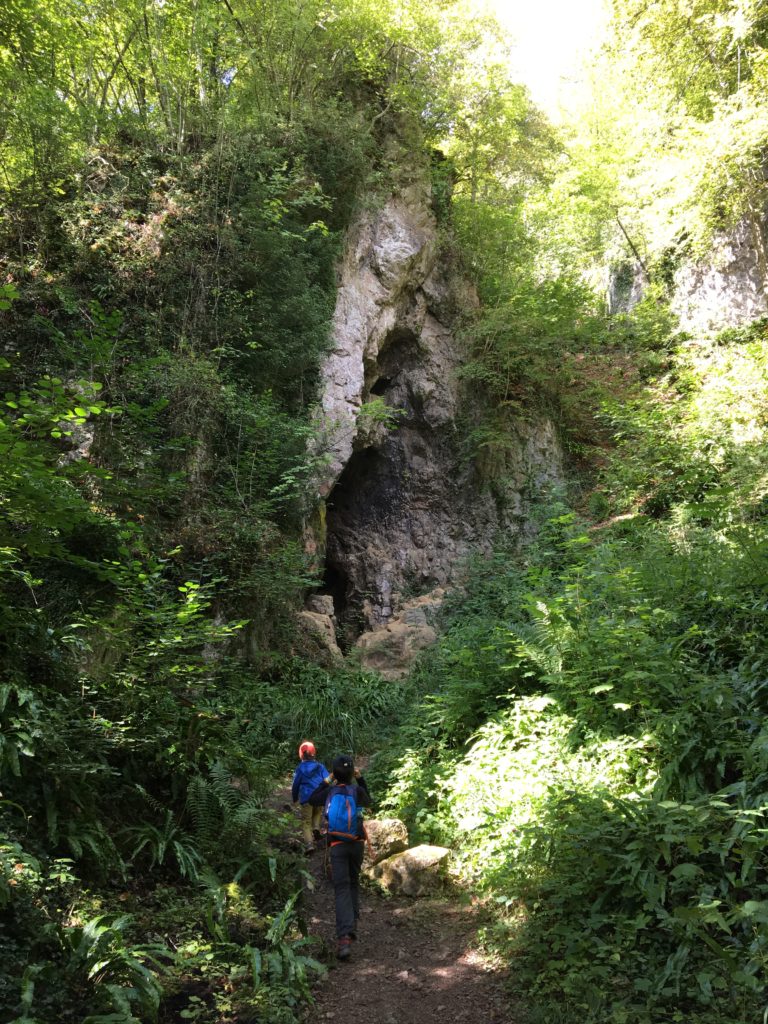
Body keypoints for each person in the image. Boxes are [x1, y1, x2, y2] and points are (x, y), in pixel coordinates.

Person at [308, 753, 371, 961]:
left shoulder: (330, 790)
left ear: (335, 773)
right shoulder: (357, 790)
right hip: (357, 844)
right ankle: (351, 925)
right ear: (352, 772)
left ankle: (344, 938)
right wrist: (360, 779)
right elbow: (368, 800)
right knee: (353, 883)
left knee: (342, 887)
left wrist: (328, 779)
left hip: (337, 845)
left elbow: (311, 798)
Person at [291, 741, 330, 853]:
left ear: (301, 755)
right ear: (314, 754)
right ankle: (316, 828)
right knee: (317, 813)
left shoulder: (299, 769)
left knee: (306, 822)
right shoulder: (320, 766)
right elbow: (328, 779)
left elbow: (295, 785)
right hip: (319, 796)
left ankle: (309, 844)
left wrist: (295, 798)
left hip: (306, 799)